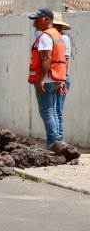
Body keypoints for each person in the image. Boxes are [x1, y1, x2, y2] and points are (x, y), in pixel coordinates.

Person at [28, 8, 68, 148]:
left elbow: (47, 59)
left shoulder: (46, 36)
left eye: (37, 20)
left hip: (47, 79)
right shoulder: (56, 34)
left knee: (47, 112)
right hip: (56, 77)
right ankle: (57, 142)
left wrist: (40, 80)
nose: (34, 23)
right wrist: (62, 80)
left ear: (46, 19)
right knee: (53, 111)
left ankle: (52, 144)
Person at [54, 13, 75, 140]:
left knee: (58, 111)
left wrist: (62, 79)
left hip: (62, 78)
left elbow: (65, 60)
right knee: (54, 111)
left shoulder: (63, 39)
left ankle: (59, 139)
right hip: (57, 78)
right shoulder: (55, 38)